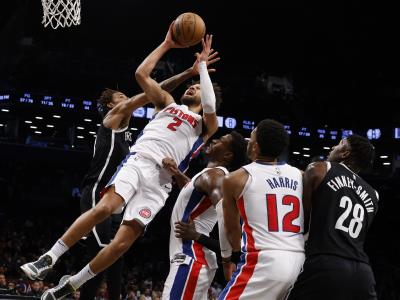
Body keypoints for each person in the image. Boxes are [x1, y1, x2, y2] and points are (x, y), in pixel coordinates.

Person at [21, 22, 221, 300]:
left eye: (197, 88)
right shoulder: (167, 103)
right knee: (106, 207)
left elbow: (211, 107)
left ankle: (73, 284)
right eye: (192, 86)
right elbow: (141, 74)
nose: (192, 88)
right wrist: (167, 44)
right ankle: (49, 258)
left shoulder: (205, 125)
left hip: (160, 184)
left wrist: (201, 68)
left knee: (121, 244)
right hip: (139, 161)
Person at [218, 119, 305, 300]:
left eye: (251, 138)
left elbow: (232, 230)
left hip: (264, 260)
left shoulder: (235, 178)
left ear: (256, 147)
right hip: (299, 262)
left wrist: (236, 255)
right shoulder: (301, 175)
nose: (248, 141)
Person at [287, 134, 378, 300]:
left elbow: (303, 222)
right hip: (363, 273)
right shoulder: (374, 194)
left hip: (325, 262)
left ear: (345, 153)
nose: (332, 147)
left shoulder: (319, 169)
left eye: (339, 144)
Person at [161, 131, 247, 299]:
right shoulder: (208, 176)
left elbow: (228, 221)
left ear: (228, 154)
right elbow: (195, 194)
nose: (214, 139)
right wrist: (177, 174)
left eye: (221, 140)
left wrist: (199, 237)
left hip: (192, 256)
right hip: (193, 259)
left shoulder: (215, 177)